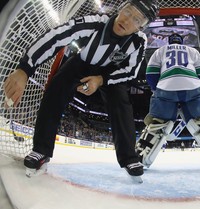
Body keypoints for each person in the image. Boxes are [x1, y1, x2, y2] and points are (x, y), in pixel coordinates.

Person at [3, 0, 159, 179]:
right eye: (128, 12)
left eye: (137, 20)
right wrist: (25, 69)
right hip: (82, 63)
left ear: (141, 27)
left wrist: (101, 80)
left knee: (121, 103)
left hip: (108, 74)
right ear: (121, 8)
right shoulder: (95, 22)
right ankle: (41, 150)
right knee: (56, 89)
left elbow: (130, 71)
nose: (127, 20)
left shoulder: (139, 42)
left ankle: (129, 158)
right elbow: (57, 35)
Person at [135, 33, 200, 168]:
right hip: (193, 87)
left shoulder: (160, 51)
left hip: (166, 88)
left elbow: (151, 74)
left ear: (169, 42)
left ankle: (141, 154)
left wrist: (157, 90)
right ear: (182, 42)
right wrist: (198, 90)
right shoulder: (192, 51)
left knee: (158, 122)